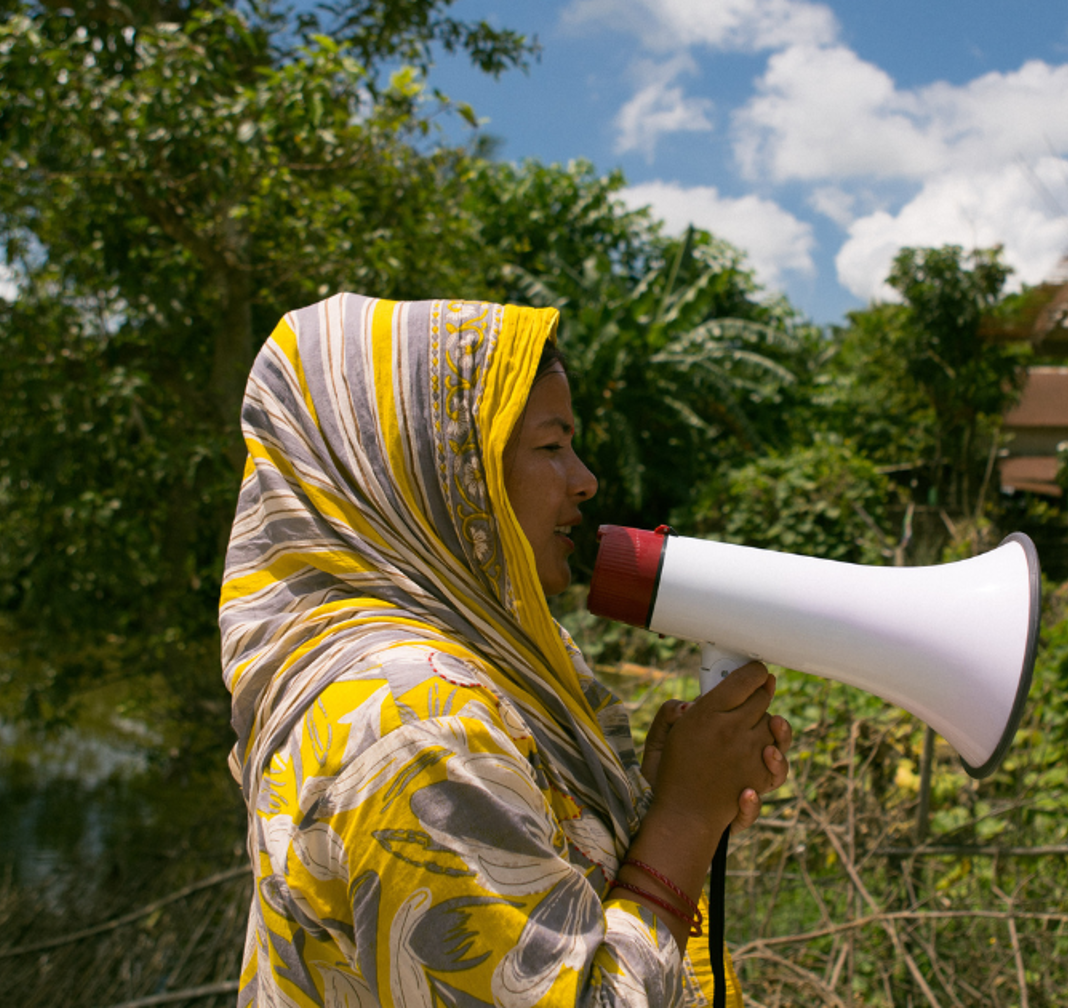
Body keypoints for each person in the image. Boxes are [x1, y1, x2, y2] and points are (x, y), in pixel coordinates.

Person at [220, 294, 792, 1008]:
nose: (584, 479)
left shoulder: (482, 672)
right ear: (436, 470)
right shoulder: (411, 723)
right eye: (550, 447)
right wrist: (683, 818)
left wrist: (651, 802)